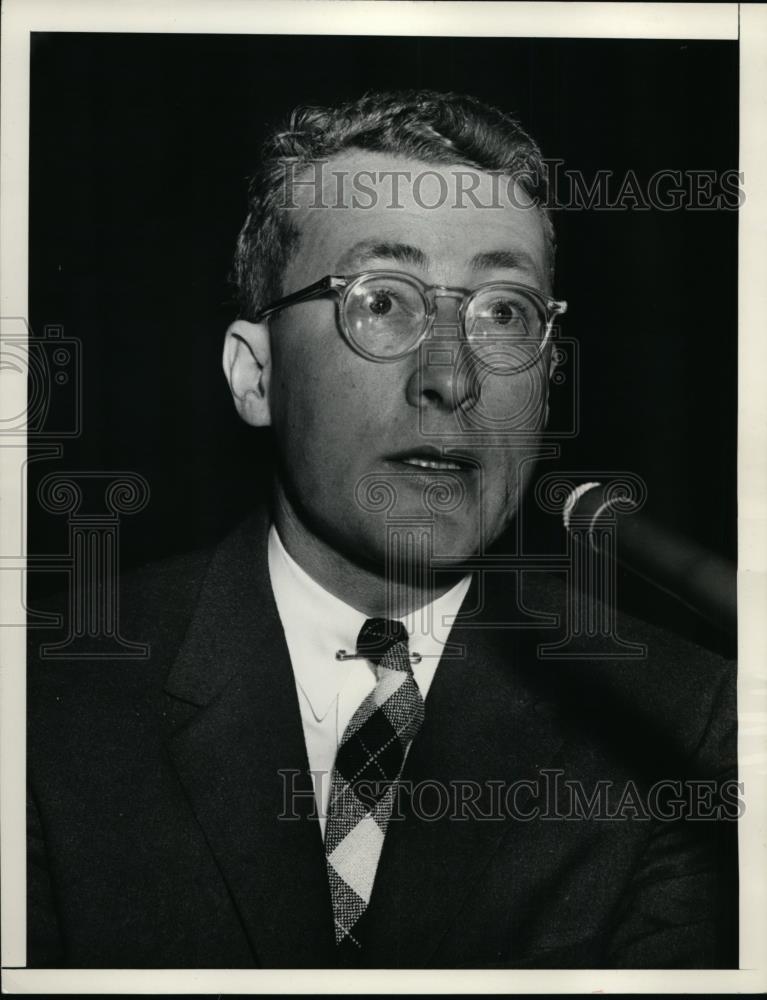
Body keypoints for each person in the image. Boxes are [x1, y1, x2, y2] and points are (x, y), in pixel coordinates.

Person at [27, 90, 737, 969]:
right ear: (255, 376)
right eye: (382, 302)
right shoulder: (45, 701)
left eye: (504, 311)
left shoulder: (684, 721)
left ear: (548, 378)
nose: (452, 378)